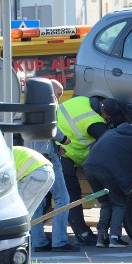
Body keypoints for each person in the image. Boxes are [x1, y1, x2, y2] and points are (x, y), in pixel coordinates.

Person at [57, 96, 123, 245]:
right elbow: (109, 144)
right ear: (105, 115)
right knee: (71, 194)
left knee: (58, 195)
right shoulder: (95, 122)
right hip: (62, 151)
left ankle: (37, 233)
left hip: (57, 144)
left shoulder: (82, 100)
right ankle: (83, 233)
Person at [24, 79, 80, 252]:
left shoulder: (29, 105)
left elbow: (38, 133)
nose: (59, 98)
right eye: (58, 94)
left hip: (33, 158)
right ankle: (60, 241)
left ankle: (39, 242)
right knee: (63, 198)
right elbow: (51, 129)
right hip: (48, 158)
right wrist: (63, 140)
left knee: (39, 202)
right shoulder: (49, 104)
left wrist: (57, 147)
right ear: (50, 92)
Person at [12, 146, 54, 218]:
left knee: (16, 212)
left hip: (36, 173)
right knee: (27, 214)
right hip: (49, 173)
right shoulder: (5, 150)